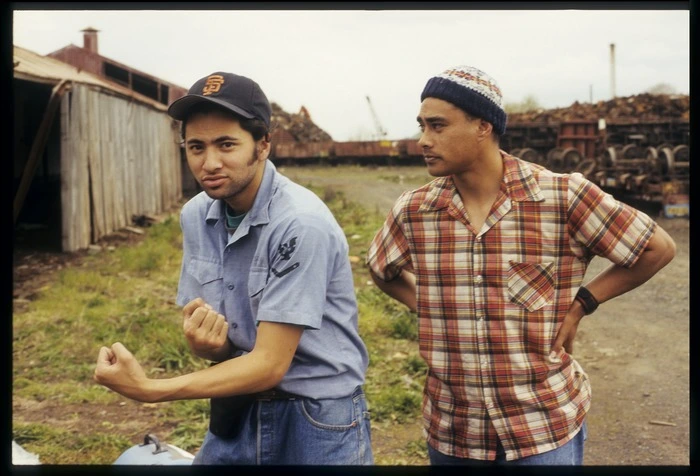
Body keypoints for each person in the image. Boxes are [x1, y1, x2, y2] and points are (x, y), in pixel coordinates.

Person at [365, 65, 676, 465]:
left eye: (438, 126)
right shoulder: (415, 210)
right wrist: (429, 306)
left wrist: (584, 302)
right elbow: (380, 267)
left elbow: (657, 249)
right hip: (455, 432)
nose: (424, 140)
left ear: (483, 126)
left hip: (542, 427)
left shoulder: (561, 197)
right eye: (422, 126)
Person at [94, 71, 373, 465]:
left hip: (315, 415)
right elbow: (228, 345)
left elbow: (269, 364)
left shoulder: (300, 223)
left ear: (263, 145)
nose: (209, 163)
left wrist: (149, 388)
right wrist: (211, 344)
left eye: (226, 144)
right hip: (235, 404)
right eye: (196, 147)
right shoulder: (196, 215)